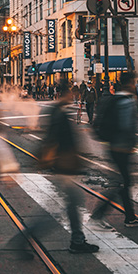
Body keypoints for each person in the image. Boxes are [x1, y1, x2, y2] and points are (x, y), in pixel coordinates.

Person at [42, 79, 99, 254]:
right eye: (70, 93)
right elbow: (62, 141)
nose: (72, 96)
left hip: (61, 165)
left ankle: (77, 239)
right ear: (64, 94)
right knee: (70, 205)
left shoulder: (56, 112)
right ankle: (76, 240)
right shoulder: (60, 114)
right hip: (63, 166)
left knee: (70, 205)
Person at [91, 73, 138, 228]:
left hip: (112, 145)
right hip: (122, 147)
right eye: (133, 83)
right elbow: (127, 126)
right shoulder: (127, 102)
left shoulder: (114, 99)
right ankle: (99, 214)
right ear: (128, 84)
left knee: (123, 182)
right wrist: (133, 144)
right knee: (122, 183)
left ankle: (130, 217)